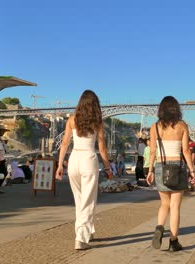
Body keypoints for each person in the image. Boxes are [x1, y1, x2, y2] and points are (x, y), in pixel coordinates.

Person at [55, 90, 113, 250]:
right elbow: (102, 148)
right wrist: (108, 168)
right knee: (88, 201)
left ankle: (88, 231)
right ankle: (80, 237)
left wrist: (60, 165)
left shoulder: (72, 119)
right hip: (88, 159)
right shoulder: (98, 122)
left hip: (74, 160)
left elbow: (65, 143)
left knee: (80, 199)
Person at [146, 96, 195, 252]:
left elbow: (152, 151)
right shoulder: (182, 126)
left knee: (164, 204)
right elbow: (186, 151)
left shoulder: (154, 127)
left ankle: (159, 227)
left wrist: (150, 171)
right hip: (177, 167)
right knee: (175, 207)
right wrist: (192, 170)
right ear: (176, 109)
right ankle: (173, 241)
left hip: (161, 166)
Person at [0, 127, 9, 194]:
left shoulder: (1, 140)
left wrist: (5, 144)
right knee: (2, 173)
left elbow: (5, 151)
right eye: (2, 131)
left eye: (4, 131)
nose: (3, 133)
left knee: (2, 173)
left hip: (2, 159)